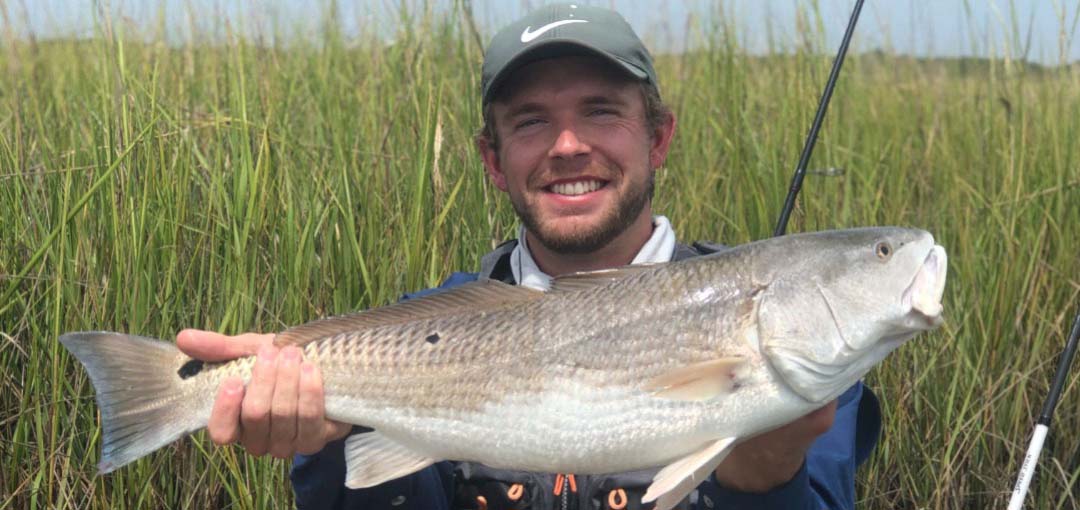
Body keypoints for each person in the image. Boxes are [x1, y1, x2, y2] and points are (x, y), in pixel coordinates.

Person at [177, 4, 880, 509]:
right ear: (492, 159)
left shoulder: (795, 328)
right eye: (532, 121)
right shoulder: (431, 321)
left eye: (601, 110)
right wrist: (322, 442)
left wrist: (762, 477)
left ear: (658, 137)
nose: (568, 145)